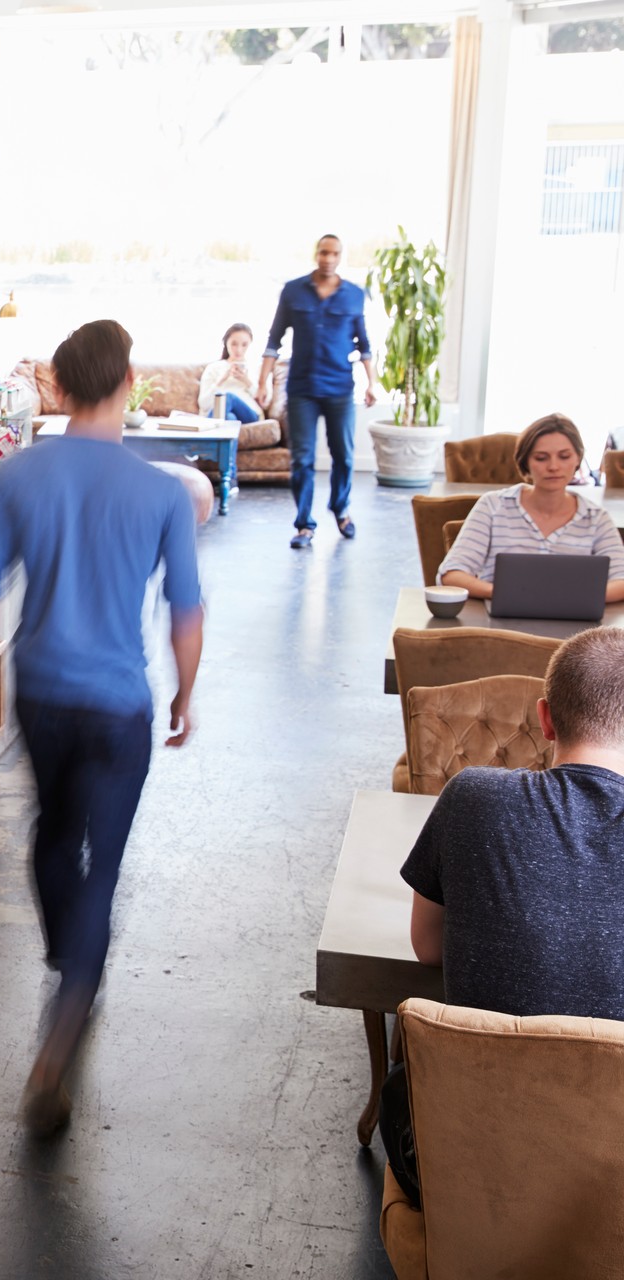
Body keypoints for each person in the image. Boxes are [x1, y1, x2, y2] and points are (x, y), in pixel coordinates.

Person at [0, 319, 205, 1134]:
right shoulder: (164, 491)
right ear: (129, 383)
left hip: (45, 693)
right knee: (105, 866)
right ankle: (66, 1015)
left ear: (56, 388)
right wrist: (184, 695)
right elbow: (185, 612)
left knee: (54, 836)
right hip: (119, 702)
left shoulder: (19, 474)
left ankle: (69, 960)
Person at [383, 627, 624, 1204]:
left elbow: (428, 949)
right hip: (611, 1178)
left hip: (474, 1158)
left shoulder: (473, 798)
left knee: (399, 1096)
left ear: (544, 718)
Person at [257, 234, 380, 549]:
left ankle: (341, 510)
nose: (328, 258)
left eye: (334, 253)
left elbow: (363, 345)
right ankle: (304, 526)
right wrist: (263, 384)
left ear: (340, 256)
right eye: (323, 252)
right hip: (302, 389)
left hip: (339, 388)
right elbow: (274, 339)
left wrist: (372, 382)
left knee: (345, 456)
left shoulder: (353, 295)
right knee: (302, 459)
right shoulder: (293, 291)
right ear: (316, 254)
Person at [438, 413, 624, 602]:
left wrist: (574, 598)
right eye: (541, 458)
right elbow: (451, 574)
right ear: (525, 461)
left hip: (575, 628)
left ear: (578, 459)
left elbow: (621, 580)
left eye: (564, 456)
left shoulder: (596, 518)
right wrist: (503, 593)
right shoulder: (493, 505)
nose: (553, 466)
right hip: (499, 626)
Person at [199, 323, 268, 425]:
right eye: (234, 344)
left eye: (244, 345)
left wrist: (247, 381)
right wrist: (222, 380)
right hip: (221, 415)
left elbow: (265, 403)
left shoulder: (258, 368)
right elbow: (204, 404)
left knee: (228, 397)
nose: (239, 350)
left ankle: (202, 438)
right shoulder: (214, 368)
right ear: (226, 343)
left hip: (250, 414)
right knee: (230, 418)